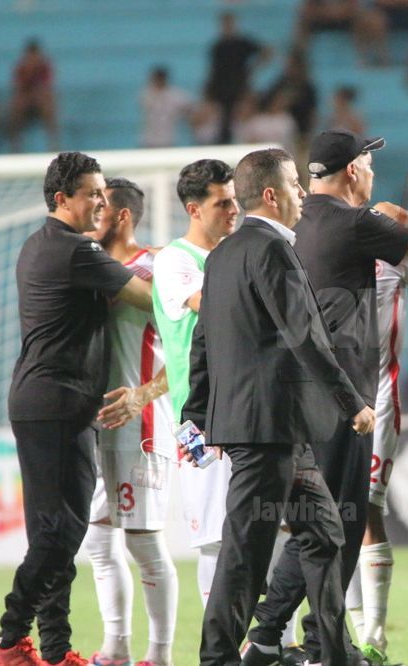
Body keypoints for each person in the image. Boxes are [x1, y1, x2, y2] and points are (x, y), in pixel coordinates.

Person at [246, 129, 408, 665]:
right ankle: (277, 635)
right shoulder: (357, 222)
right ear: (353, 171)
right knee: (338, 519)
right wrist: (398, 216)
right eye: (369, 163)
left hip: (290, 393)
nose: (373, 172)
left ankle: (307, 640)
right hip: (342, 398)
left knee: (317, 519)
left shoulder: (291, 224)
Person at [181, 147, 376, 666]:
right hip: (266, 429)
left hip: (277, 430)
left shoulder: (223, 254)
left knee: (325, 533)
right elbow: (305, 333)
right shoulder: (271, 249)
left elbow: (204, 341)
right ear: (271, 194)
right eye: (294, 183)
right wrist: (351, 401)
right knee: (245, 553)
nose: (303, 192)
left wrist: (195, 413)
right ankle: (217, 659)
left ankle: (333, 653)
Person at [0, 152, 152, 666]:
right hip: (58, 404)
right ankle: (9, 641)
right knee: (62, 533)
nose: (103, 201)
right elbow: (150, 299)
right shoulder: (77, 250)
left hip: (41, 401)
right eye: (93, 193)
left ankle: (55, 651)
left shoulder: (39, 244)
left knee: (51, 534)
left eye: (104, 192)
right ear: (62, 199)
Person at [78, 178, 178, 666]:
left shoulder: (156, 267)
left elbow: (191, 346)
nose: (91, 215)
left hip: (142, 428)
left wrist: (143, 394)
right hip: (98, 428)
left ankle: (159, 656)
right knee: (98, 540)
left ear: (122, 216)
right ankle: (115, 649)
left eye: (101, 209)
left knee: (143, 542)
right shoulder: (90, 269)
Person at [151, 159, 238, 608]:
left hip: (246, 405)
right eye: (222, 203)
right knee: (215, 536)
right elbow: (216, 305)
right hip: (201, 416)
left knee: (275, 526)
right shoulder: (175, 260)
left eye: (235, 200)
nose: (234, 210)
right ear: (194, 209)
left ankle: (274, 639)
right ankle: (222, 640)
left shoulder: (233, 253)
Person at [345, 250, 408, 664]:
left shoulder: (395, 247)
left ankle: (374, 637)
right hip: (326, 398)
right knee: (332, 516)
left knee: (365, 509)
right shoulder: (314, 239)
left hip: (378, 399)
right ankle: (356, 633)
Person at [205, 12, 271, 144]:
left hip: (239, 86)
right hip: (221, 88)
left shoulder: (242, 43)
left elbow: (266, 51)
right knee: (223, 121)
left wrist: (253, 69)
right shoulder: (218, 46)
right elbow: (213, 70)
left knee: (240, 118)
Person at [8, 39, 58, 152]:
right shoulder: (21, 68)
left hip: (40, 101)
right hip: (26, 101)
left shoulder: (44, 68)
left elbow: (47, 87)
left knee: (48, 103)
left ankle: (53, 144)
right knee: (17, 105)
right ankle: (15, 146)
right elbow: (18, 88)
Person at [140, 66, 193, 148]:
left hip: (168, 139)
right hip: (148, 139)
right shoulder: (147, 93)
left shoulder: (176, 95)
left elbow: (189, 109)